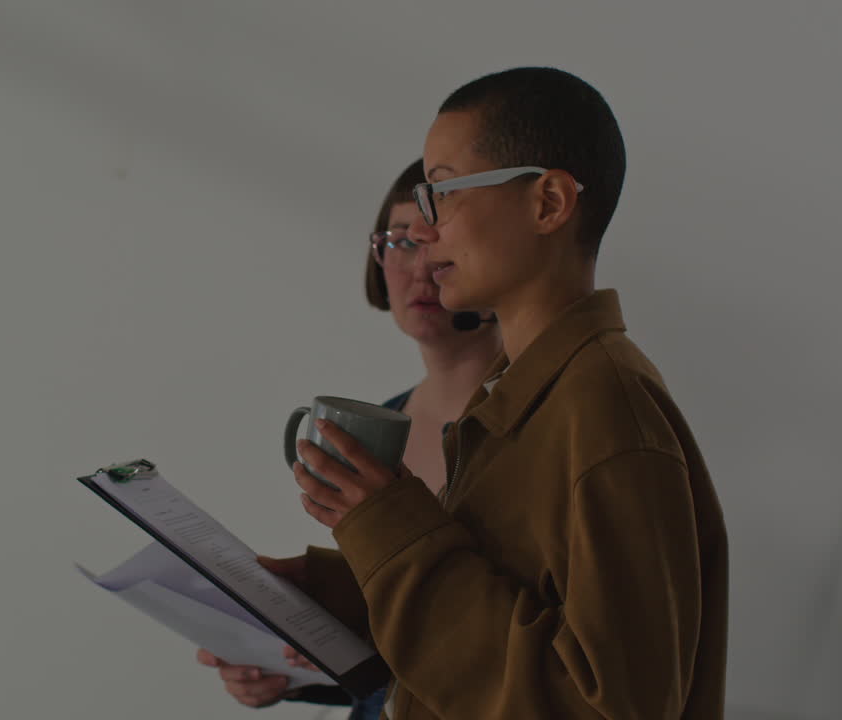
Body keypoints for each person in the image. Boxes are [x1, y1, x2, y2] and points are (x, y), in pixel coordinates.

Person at [285, 67, 729, 719]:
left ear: (548, 203)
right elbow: (510, 611)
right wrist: (321, 593)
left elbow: (606, 707)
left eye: (444, 195)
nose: (426, 233)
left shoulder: (607, 409)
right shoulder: (529, 398)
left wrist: (391, 533)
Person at [195, 159, 504, 718]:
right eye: (400, 242)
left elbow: (493, 650)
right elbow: (397, 636)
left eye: (439, 241)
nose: (421, 267)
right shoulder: (381, 422)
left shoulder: (529, 426)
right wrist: (290, 671)